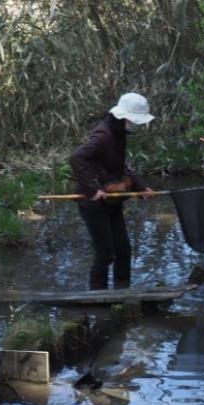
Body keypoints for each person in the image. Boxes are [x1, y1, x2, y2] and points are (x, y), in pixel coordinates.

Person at [70, 93, 155, 290]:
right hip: (94, 203)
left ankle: (122, 292)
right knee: (105, 253)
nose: (137, 125)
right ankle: (98, 298)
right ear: (126, 117)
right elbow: (77, 158)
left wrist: (141, 187)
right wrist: (93, 190)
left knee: (124, 251)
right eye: (136, 121)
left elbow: (120, 167)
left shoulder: (118, 133)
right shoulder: (104, 135)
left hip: (112, 201)